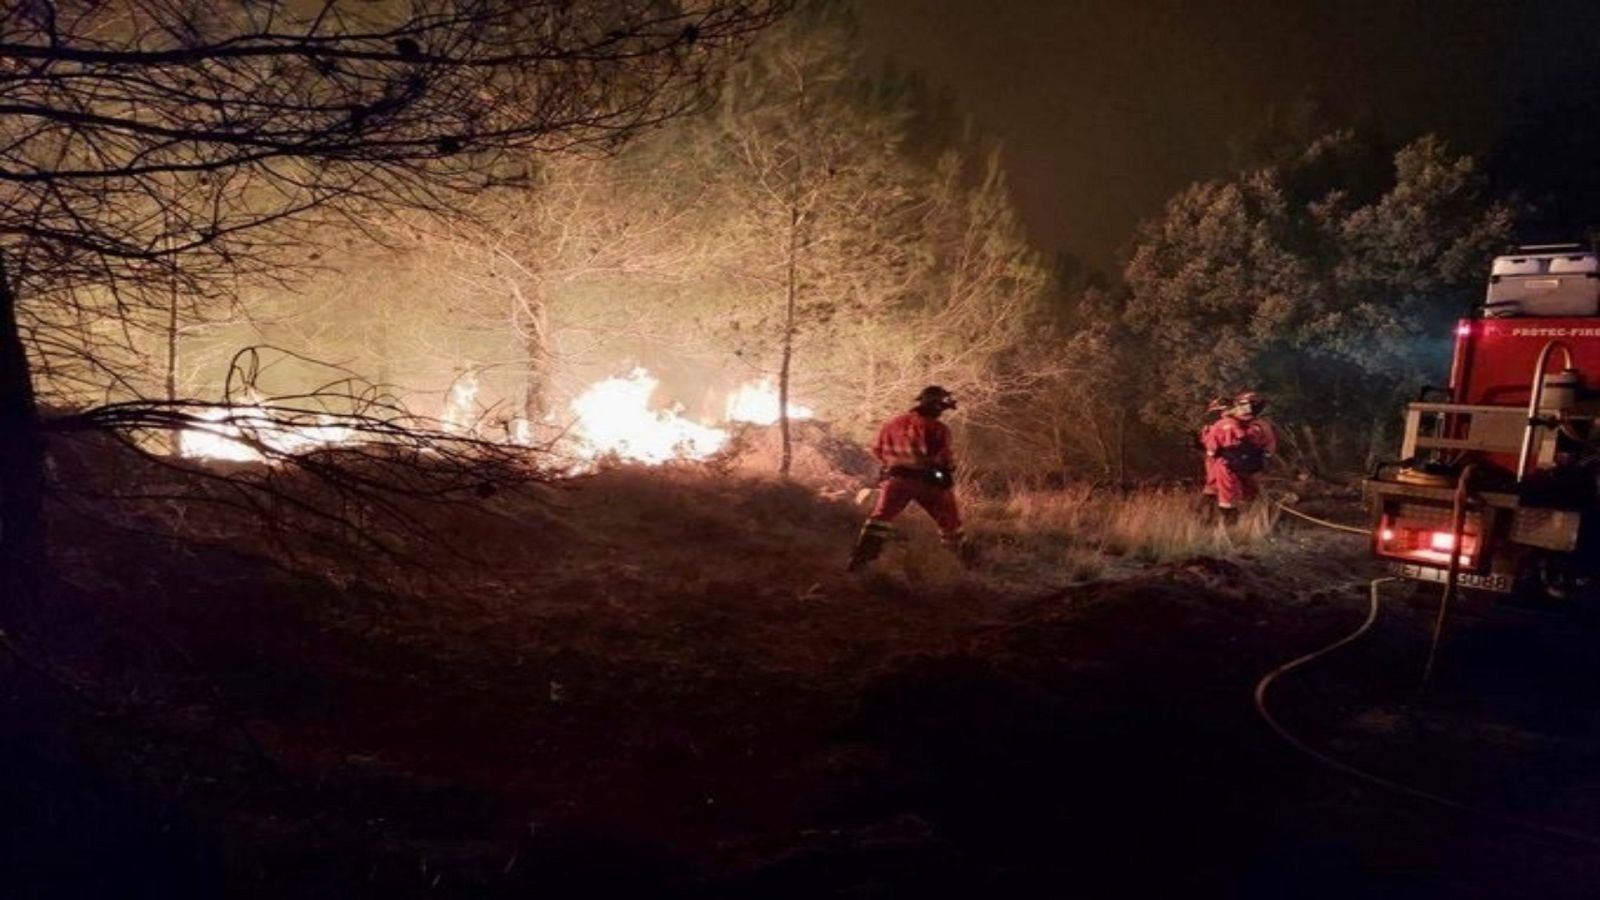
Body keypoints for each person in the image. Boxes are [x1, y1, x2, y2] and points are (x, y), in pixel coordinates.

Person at [847, 385, 966, 571]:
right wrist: (946, 471)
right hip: (928, 483)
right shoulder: (938, 428)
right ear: (936, 406)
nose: (943, 411)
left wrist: (894, 463)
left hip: (895, 481)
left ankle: (861, 560)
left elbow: (877, 449)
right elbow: (945, 460)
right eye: (942, 407)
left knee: (880, 519)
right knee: (950, 521)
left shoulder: (892, 424)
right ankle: (960, 562)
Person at [1201, 390, 1277, 525]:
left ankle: (1222, 524)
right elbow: (1269, 446)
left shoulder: (1223, 425)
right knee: (1249, 492)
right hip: (1253, 465)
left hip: (1225, 465)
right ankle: (1253, 520)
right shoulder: (1262, 425)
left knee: (1223, 493)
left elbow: (1211, 449)